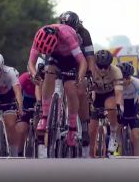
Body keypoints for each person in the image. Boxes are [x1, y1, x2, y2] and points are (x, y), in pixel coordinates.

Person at [27, 24, 87, 158]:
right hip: (54, 56)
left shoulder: (68, 36)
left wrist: (79, 78)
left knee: (71, 88)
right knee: (48, 74)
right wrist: (34, 74)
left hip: (71, 57)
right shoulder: (40, 36)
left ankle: (72, 127)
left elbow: (83, 62)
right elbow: (31, 63)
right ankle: (45, 116)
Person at [59, 11, 95, 157]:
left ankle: (84, 126)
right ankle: (54, 117)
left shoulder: (84, 33)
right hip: (61, 60)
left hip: (79, 62)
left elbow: (90, 58)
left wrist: (90, 76)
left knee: (81, 90)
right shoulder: (56, 30)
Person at [88, 50, 123, 158]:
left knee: (111, 107)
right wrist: (90, 104)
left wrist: (118, 106)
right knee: (92, 128)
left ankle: (113, 133)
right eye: (100, 66)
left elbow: (118, 92)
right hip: (95, 95)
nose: (103, 69)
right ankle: (90, 151)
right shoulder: (91, 70)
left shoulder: (116, 71)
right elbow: (87, 90)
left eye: (105, 67)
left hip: (109, 94)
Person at [118, 62, 139, 156]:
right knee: (116, 129)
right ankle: (117, 152)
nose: (125, 80)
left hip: (133, 107)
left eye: (127, 78)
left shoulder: (137, 82)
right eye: (123, 78)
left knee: (136, 135)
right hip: (121, 105)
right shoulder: (115, 83)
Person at [16, 71, 40, 157]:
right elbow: (17, 92)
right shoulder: (24, 77)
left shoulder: (45, 79)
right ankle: (19, 152)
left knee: (39, 127)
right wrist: (19, 108)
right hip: (25, 103)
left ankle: (40, 146)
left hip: (40, 103)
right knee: (21, 129)